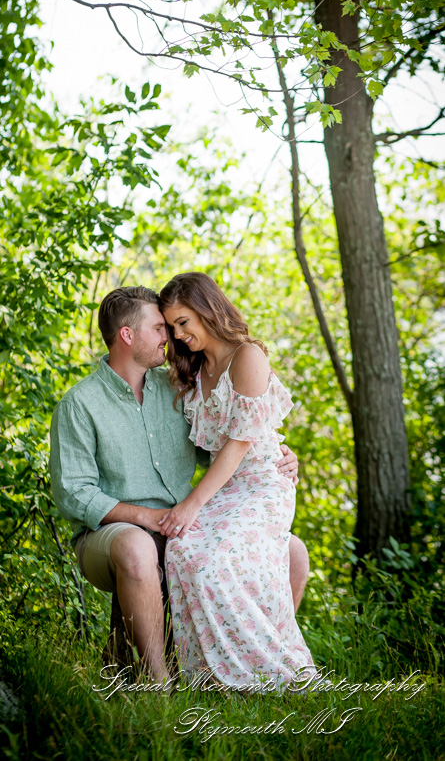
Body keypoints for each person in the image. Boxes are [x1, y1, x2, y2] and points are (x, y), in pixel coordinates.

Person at [49, 285, 308, 683]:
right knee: (138, 545)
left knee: (291, 549)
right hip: (109, 535)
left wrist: (279, 454)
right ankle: (158, 684)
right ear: (127, 335)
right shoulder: (80, 404)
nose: (169, 338)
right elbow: (74, 494)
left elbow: (225, 445)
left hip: (178, 519)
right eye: (159, 328)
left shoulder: (175, 388)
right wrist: (145, 517)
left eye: (172, 326)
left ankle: (259, 659)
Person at [158, 272, 314, 689]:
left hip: (263, 485)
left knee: (213, 565)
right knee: (181, 552)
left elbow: (240, 443)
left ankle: (268, 671)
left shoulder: (247, 357)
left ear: (208, 310)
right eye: (172, 327)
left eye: (184, 322)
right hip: (223, 491)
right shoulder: (194, 371)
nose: (179, 334)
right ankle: (206, 676)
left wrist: (190, 505)